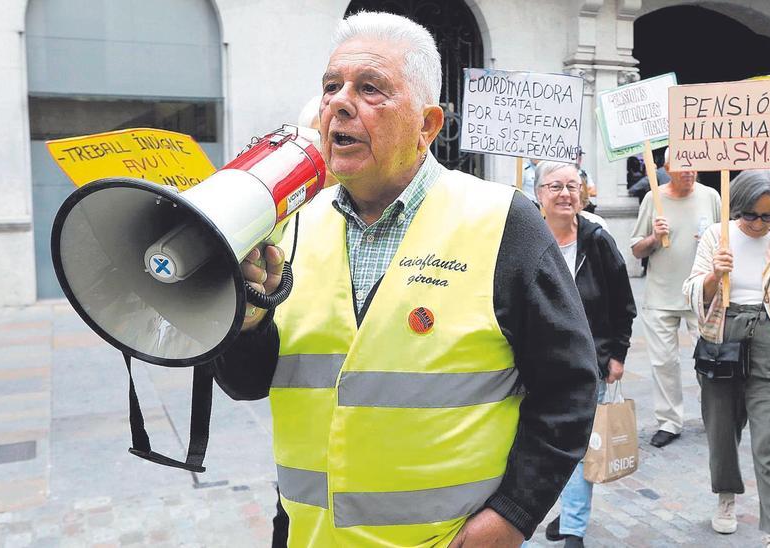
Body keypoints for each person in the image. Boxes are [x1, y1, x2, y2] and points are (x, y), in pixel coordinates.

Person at [213, 12, 598, 547]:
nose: (339, 103)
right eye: (331, 87)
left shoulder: (503, 222)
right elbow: (246, 384)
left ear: (428, 125)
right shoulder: (289, 226)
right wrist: (246, 317)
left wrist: (514, 513)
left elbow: (570, 386)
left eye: (371, 88)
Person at [683, 169, 770, 548]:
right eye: (751, 215)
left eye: (769, 215)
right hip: (721, 337)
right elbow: (691, 292)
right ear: (738, 207)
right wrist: (714, 275)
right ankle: (726, 496)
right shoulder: (716, 236)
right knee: (721, 429)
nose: (759, 224)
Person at [531, 161, 636, 548]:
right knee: (529, 446)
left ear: (583, 193)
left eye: (572, 186)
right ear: (539, 193)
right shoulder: (526, 236)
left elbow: (623, 303)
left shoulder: (597, 240)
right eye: (555, 186)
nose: (564, 194)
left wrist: (617, 353)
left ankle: (573, 528)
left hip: (586, 365)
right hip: (531, 365)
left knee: (578, 448)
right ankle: (523, 523)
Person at [630, 153, 721, 447]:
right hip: (661, 294)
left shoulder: (711, 196)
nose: (690, 172)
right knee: (663, 362)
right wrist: (654, 238)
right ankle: (669, 421)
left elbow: (726, 237)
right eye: (683, 167)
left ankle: (714, 414)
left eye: (695, 166)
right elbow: (636, 249)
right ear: (667, 169)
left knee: (710, 359)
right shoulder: (653, 200)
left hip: (703, 294)